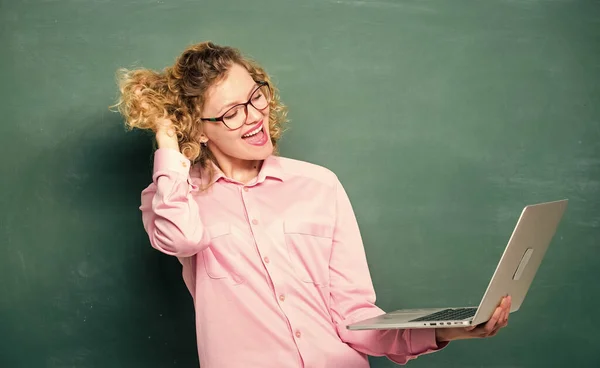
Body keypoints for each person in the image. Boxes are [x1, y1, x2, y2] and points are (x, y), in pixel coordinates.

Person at [114, 41, 511, 368]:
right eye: (232, 113)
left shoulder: (319, 185)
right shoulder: (175, 197)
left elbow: (356, 319)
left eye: (255, 96)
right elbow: (181, 240)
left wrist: (449, 329)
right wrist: (168, 136)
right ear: (200, 129)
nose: (255, 118)